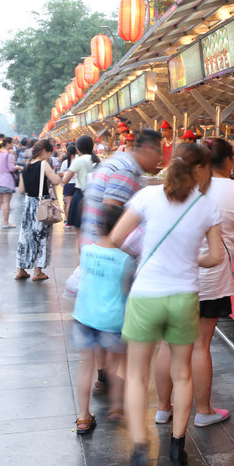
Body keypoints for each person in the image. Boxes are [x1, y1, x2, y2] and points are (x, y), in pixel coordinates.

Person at [108, 142, 227, 466]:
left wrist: (145, 254)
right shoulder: (206, 206)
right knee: (182, 374)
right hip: (184, 298)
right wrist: (194, 259)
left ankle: (139, 447)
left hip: (146, 295)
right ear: (201, 170)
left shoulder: (147, 197)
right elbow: (216, 257)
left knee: (135, 374)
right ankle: (177, 446)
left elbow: (116, 236)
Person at [153, 138, 234, 429]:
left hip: (172, 276)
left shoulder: (169, 189)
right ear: (227, 162)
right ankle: (203, 410)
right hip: (210, 279)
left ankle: (161, 408)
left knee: (168, 345)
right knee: (199, 346)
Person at [80, 129, 163, 395]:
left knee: (101, 312)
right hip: (109, 252)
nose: (160, 160)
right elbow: (112, 211)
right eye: (159, 153)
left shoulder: (117, 161)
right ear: (147, 150)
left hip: (95, 248)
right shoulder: (127, 170)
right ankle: (119, 380)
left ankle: (105, 374)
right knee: (117, 315)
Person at [73, 204, 134, 433]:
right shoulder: (125, 260)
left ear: (98, 226)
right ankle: (117, 408)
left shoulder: (87, 250)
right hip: (112, 320)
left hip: (84, 317)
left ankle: (82, 417)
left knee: (86, 366)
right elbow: (126, 290)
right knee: (117, 366)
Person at [15, 139, 63, 281]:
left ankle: (20, 269)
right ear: (44, 152)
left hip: (29, 204)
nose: (49, 156)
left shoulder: (26, 166)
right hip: (41, 205)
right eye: (49, 153)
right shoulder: (43, 164)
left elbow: (22, 189)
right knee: (41, 236)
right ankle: (37, 272)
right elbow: (56, 181)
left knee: (25, 236)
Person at [62, 135, 100, 239]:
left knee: (80, 235)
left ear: (78, 149)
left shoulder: (78, 160)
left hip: (80, 197)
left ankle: (82, 254)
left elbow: (65, 180)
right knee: (95, 232)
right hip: (95, 197)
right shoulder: (98, 160)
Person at [0, 137, 18, 229]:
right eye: (12, 143)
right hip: (7, 181)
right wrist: (17, 167)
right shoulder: (9, 155)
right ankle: (5, 222)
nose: (13, 145)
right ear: (7, 144)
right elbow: (11, 168)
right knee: (6, 202)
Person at [59, 142, 79, 222]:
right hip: (77, 184)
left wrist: (66, 174)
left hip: (68, 184)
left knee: (68, 203)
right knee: (77, 203)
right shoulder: (78, 161)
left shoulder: (65, 162)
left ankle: (67, 219)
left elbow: (61, 173)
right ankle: (75, 219)